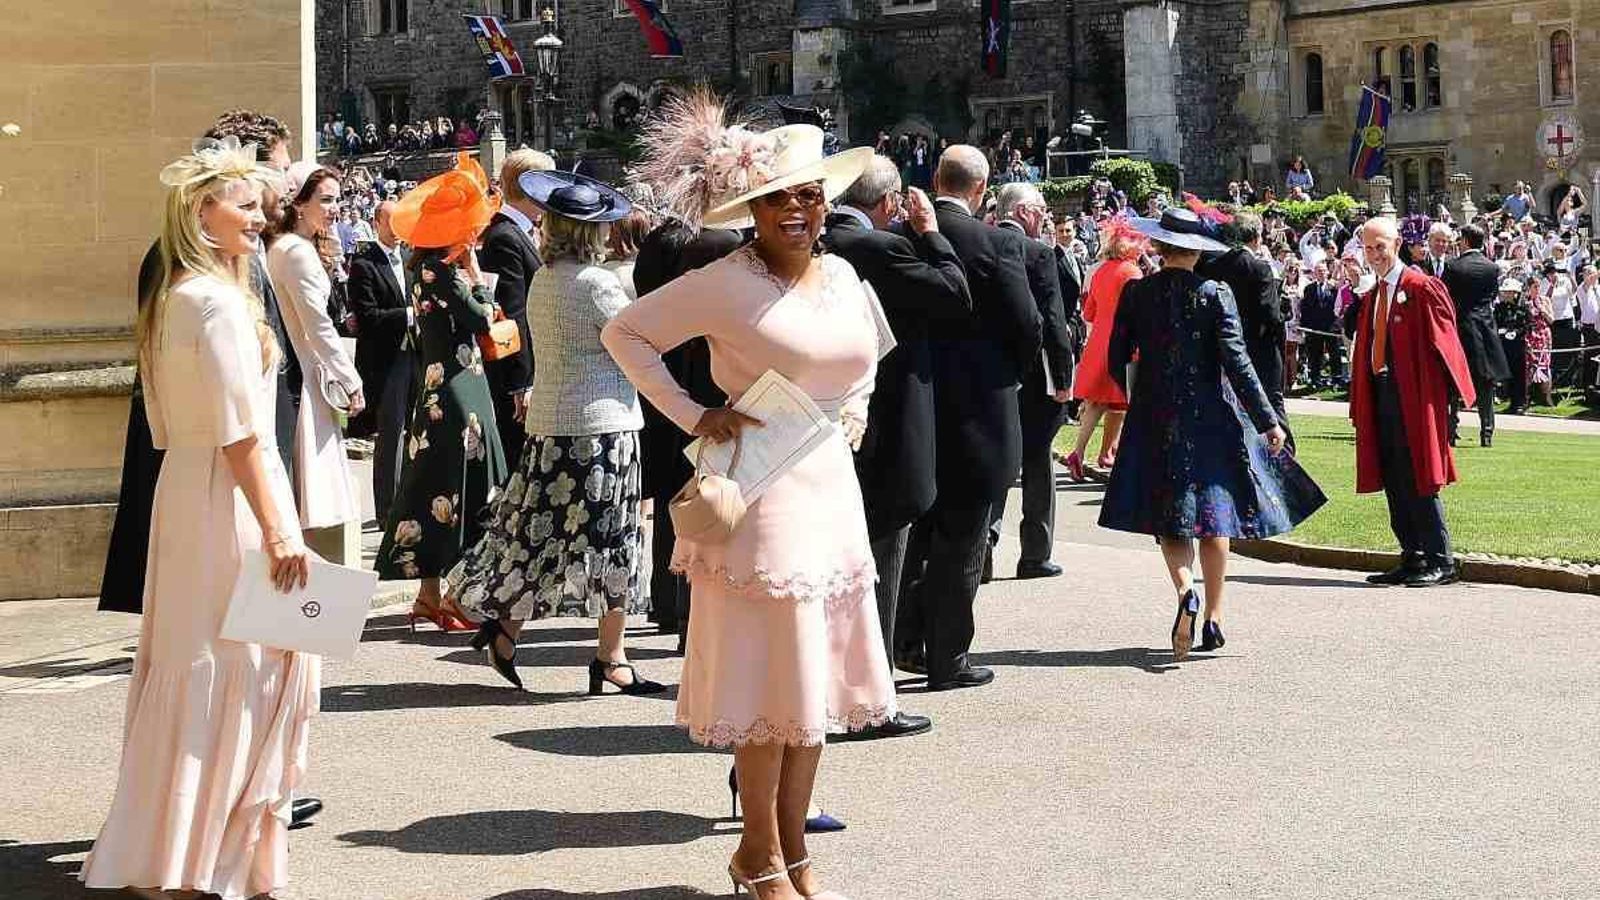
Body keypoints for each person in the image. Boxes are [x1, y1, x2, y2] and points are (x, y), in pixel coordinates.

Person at [603, 110, 890, 898]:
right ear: (751, 212)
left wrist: (851, 412)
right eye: (776, 200)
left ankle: (795, 855)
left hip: (830, 486)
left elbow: (869, 355)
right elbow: (625, 334)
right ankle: (759, 853)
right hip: (759, 496)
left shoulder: (844, 277)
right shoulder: (724, 281)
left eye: (808, 196)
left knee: (816, 686)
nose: (796, 211)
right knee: (771, 685)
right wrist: (697, 415)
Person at [80, 137, 316, 900]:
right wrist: (281, 529)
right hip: (227, 500)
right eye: (243, 205)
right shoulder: (210, 303)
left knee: (211, 664)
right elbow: (241, 434)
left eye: (260, 204)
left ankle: (188, 854)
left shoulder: (183, 294)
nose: (260, 216)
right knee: (240, 665)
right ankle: (201, 863)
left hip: (191, 491)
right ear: (199, 211)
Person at [449, 170, 663, 696]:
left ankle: (506, 624)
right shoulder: (597, 284)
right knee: (613, 537)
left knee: (539, 532)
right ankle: (612, 657)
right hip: (602, 423)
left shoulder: (547, 277)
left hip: (552, 419)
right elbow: (637, 338)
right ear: (593, 232)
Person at [99, 109, 302, 616]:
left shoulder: (217, 272)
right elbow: (228, 422)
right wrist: (276, 527)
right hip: (224, 478)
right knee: (241, 643)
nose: (274, 196)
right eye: (274, 169)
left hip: (203, 474)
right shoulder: (205, 290)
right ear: (204, 208)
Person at [1098, 209, 1324, 659]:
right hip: (1212, 416)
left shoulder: (1137, 293)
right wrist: (1268, 421)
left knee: (1171, 520)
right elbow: (1239, 365)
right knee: (1215, 517)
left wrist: (1136, 394)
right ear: (1197, 252)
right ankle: (1215, 617)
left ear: (1160, 248)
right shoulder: (1215, 292)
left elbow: (1115, 357)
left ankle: (1186, 591)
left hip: (1156, 416)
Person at [823, 154, 971, 740]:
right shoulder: (882, 248)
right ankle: (872, 696)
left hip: (828, 423)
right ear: (888, 205)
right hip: (887, 423)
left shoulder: (822, 242)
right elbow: (954, 293)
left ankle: (838, 683)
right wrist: (931, 234)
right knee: (881, 559)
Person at [895, 144, 1041, 691]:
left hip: (918, 401)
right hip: (981, 407)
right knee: (964, 538)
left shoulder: (901, 238)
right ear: (981, 189)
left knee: (917, 530)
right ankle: (947, 656)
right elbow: (1026, 326)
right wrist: (1005, 375)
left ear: (936, 178)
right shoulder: (997, 243)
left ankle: (906, 638)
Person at [375, 164, 508, 627]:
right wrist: (476, 278)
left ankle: (430, 595)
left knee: (431, 483)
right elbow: (483, 318)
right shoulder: (446, 272)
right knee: (464, 485)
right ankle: (451, 593)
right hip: (460, 388)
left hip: (437, 386)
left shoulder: (420, 268)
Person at [1347, 217, 1476, 588]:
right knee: (1393, 474)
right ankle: (1412, 556)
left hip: (1417, 395)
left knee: (1420, 475)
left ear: (1398, 243)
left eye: (1380, 247)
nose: (1374, 255)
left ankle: (1441, 559)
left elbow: (1446, 343)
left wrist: (1449, 400)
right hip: (1382, 393)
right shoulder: (1372, 296)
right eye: (1368, 248)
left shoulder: (1422, 287)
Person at [266, 162, 366, 560]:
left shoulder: (288, 247)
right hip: (305, 375)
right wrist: (350, 379)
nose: (335, 208)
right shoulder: (295, 252)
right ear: (298, 203)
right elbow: (317, 326)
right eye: (325, 200)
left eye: (338, 199)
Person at [989, 182, 1074, 580]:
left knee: (991, 461)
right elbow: (1054, 322)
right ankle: (1035, 553)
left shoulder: (979, 241)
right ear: (1023, 212)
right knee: (1037, 459)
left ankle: (983, 547)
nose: (1046, 216)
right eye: (1041, 209)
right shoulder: (1038, 254)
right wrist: (1063, 378)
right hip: (1034, 375)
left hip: (988, 373)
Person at [479, 148, 554, 471]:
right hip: (516, 378)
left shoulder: (518, 231)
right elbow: (512, 314)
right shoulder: (504, 236)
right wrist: (521, 382)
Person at [346, 199, 415, 520]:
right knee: (391, 434)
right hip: (388, 362)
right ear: (377, 223)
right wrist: (410, 316)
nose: (398, 229)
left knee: (415, 431)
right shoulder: (364, 264)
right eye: (392, 222)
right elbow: (368, 317)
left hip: (417, 355)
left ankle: (410, 499)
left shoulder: (411, 258)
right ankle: (387, 509)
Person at [1063, 218, 1147, 479]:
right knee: (1126, 401)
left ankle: (1080, 452)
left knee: (1097, 402)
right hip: (1125, 342)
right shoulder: (1133, 273)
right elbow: (1140, 313)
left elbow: (1089, 312)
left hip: (1099, 341)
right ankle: (1112, 454)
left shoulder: (1100, 271)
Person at [1199, 211, 1290, 445]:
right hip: (1260, 348)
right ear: (1257, 237)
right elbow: (1270, 315)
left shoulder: (1213, 266)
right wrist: (1284, 312)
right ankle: (1284, 456)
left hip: (1224, 347)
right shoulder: (1259, 267)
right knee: (1272, 401)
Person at [1441, 224, 1511, 447]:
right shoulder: (1492, 268)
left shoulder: (1453, 266)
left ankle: (1450, 431)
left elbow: (1445, 297)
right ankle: (1487, 433)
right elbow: (1491, 296)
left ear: (1465, 241)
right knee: (1486, 384)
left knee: (1452, 382)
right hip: (1484, 327)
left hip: (1460, 326)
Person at [1300, 262, 1343, 388]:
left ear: (1327, 273)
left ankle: (1336, 379)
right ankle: (1315, 379)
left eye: (1323, 271)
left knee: (1334, 354)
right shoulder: (1309, 289)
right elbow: (1305, 309)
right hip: (1314, 328)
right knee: (1315, 355)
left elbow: (1338, 308)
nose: (1321, 273)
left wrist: (1337, 326)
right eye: (1319, 271)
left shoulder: (1334, 289)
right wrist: (1306, 327)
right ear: (1314, 273)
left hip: (1330, 328)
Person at [1526, 266, 1557, 407]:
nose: (1537, 289)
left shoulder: (1545, 300)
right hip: (1531, 335)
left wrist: (1542, 310)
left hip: (1544, 335)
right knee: (1530, 365)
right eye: (1534, 286)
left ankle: (1547, 397)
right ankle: (1527, 396)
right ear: (1529, 287)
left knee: (1545, 365)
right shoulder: (1525, 302)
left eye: (1539, 286)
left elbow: (1551, 320)